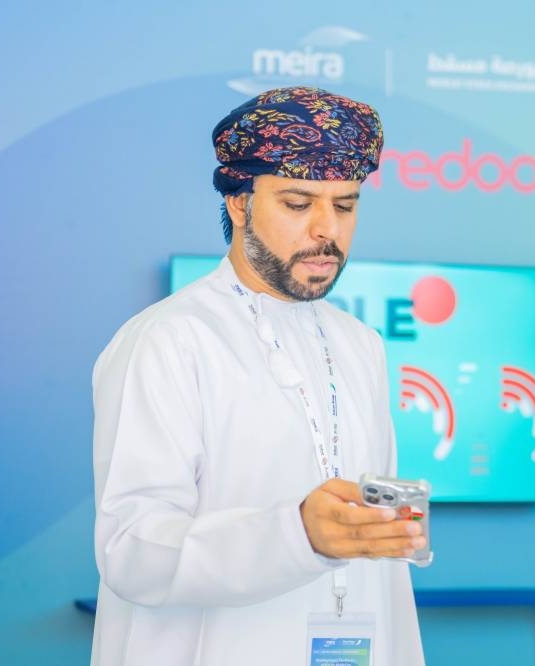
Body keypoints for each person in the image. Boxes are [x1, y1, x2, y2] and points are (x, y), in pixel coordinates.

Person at [90, 86, 425, 666]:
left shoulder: (360, 344)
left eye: (345, 206)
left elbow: (384, 568)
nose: (326, 230)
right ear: (240, 204)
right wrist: (297, 535)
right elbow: (131, 551)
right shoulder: (169, 340)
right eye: (298, 204)